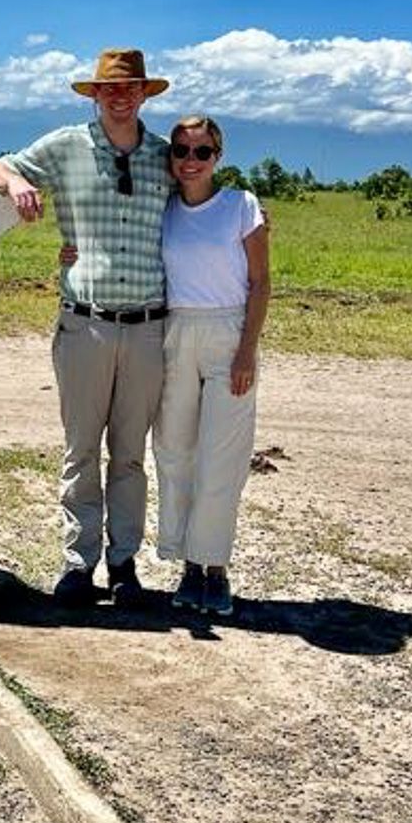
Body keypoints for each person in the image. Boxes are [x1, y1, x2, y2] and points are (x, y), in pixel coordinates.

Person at [0, 47, 172, 611]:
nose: (119, 96)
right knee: (81, 448)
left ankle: (124, 564)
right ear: (94, 95)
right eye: (108, 88)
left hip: (146, 326)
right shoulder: (64, 146)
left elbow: (200, 208)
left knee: (131, 453)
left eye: (130, 87)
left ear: (144, 94)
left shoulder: (164, 156)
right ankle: (78, 562)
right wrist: (16, 183)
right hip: (85, 324)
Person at [153, 115, 270, 619]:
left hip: (228, 335)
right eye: (181, 150)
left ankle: (215, 567)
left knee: (222, 458)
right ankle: (186, 565)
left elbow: (260, 283)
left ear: (218, 157)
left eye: (202, 152)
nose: (191, 161)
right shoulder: (162, 209)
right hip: (175, 331)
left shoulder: (240, 206)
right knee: (174, 451)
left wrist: (247, 350)